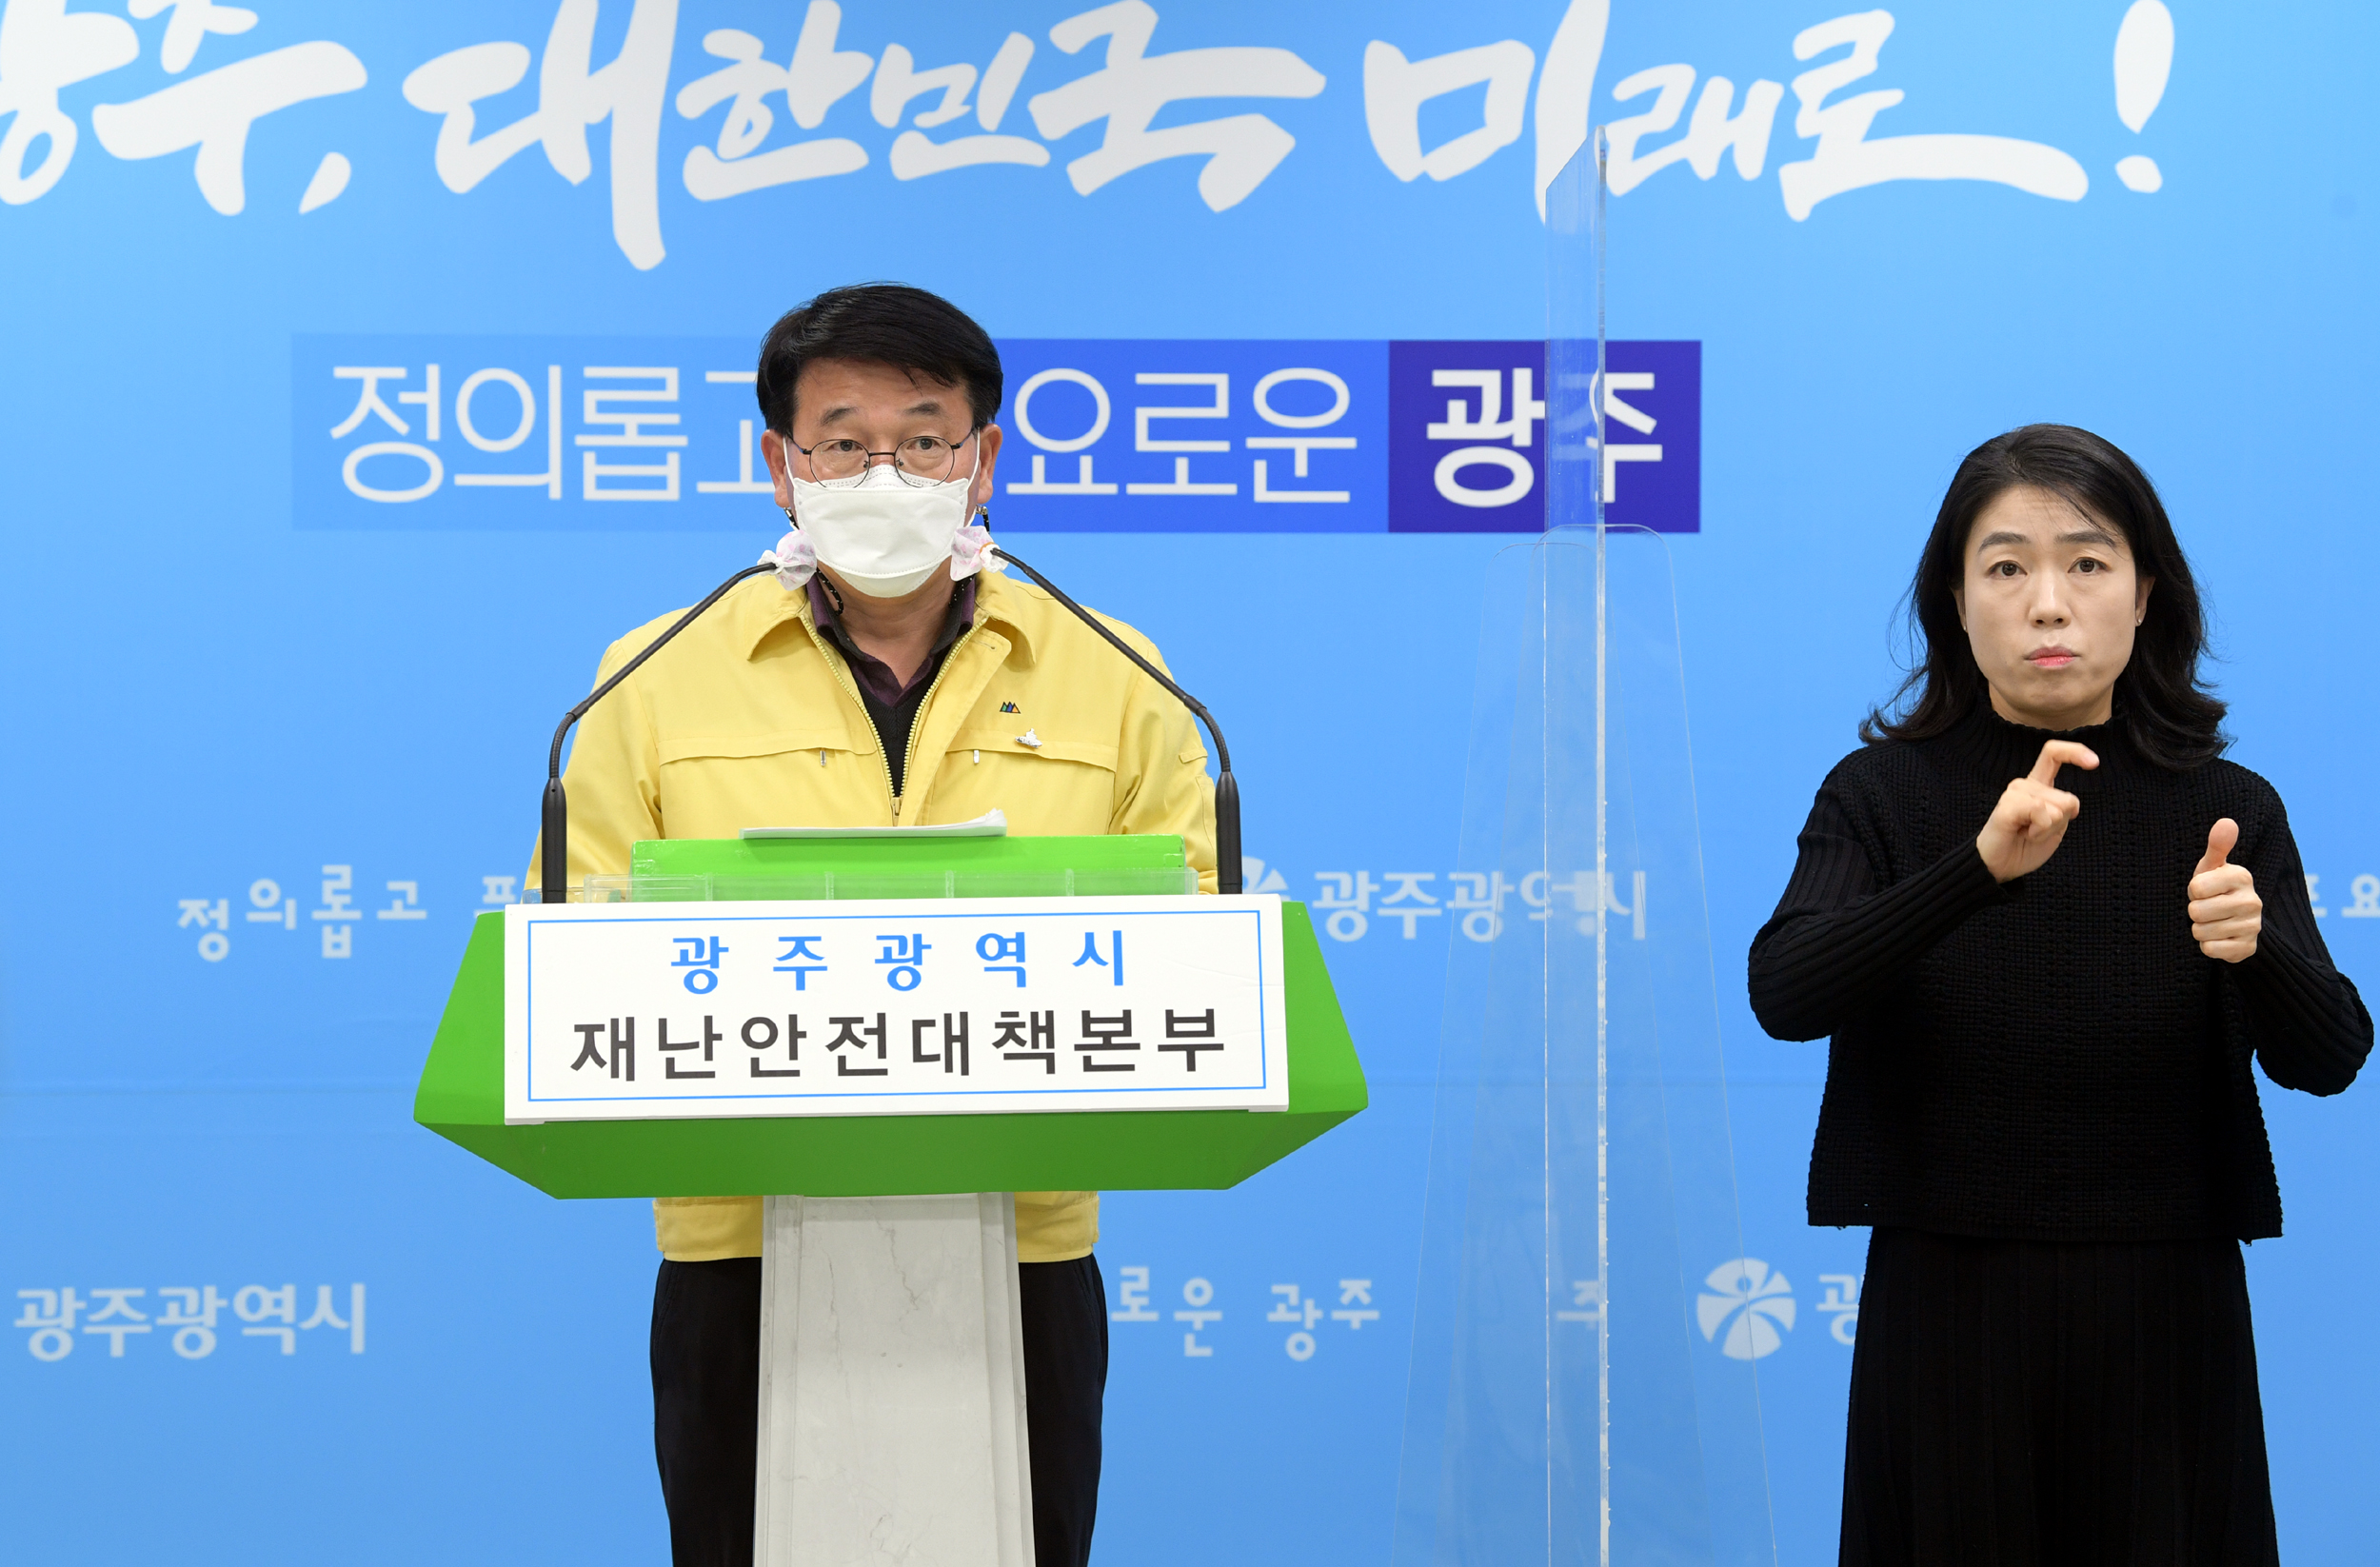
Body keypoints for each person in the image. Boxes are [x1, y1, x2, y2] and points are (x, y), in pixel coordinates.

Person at [527, 283, 1219, 1567]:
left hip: (1023, 1239)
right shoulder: (654, 674)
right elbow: (583, 945)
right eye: (843, 443)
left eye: (923, 439)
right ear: (779, 465)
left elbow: (1195, 933)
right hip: (739, 1244)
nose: (884, 475)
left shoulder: (1113, 670)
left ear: (984, 459)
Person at [1747, 425, 2370, 1565]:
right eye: (2006, 566)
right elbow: (1785, 989)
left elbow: (2328, 1056)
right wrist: (1974, 870)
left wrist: (2256, 949)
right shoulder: (1877, 792)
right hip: (1943, 1295)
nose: (2048, 602)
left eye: (2087, 562)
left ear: (2145, 595)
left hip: (2168, 1301)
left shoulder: (2230, 805)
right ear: (1955, 600)